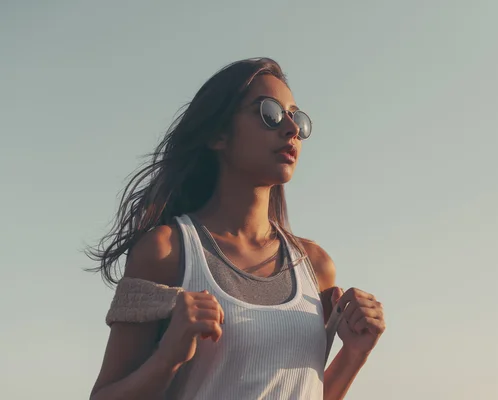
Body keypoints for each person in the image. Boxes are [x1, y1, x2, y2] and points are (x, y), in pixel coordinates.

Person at [87, 57, 386, 400]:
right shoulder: (167, 252)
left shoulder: (316, 266)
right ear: (218, 135)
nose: (290, 129)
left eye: (297, 119)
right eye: (270, 113)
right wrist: (168, 357)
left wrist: (354, 354)